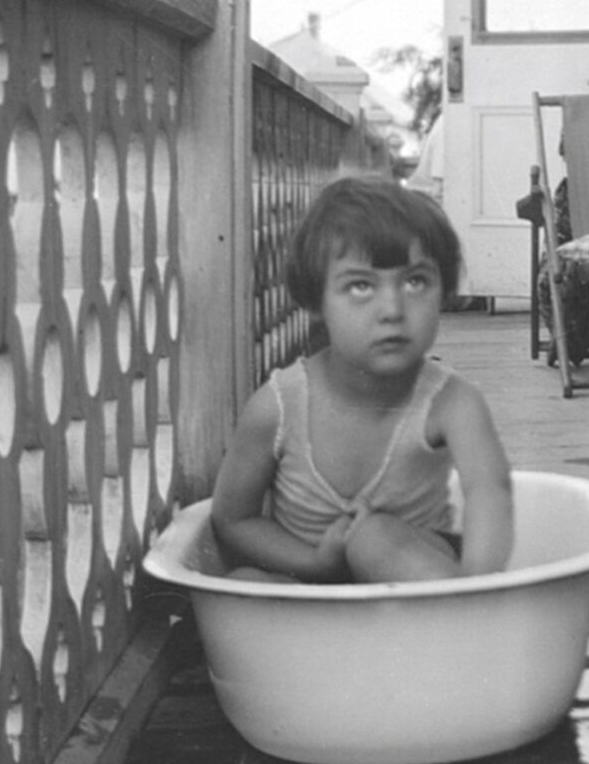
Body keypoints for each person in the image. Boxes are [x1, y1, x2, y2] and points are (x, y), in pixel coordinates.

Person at [211, 177, 514, 583]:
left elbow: (489, 492)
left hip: (419, 584)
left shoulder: (451, 402)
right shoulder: (278, 407)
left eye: (415, 281)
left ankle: (468, 622)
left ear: (444, 292)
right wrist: (314, 560)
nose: (392, 308)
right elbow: (234, 519)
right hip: (312, 586)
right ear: (316, 301)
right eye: (360, 286)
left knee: (372, 538)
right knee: (244, 583)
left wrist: (482, 587)